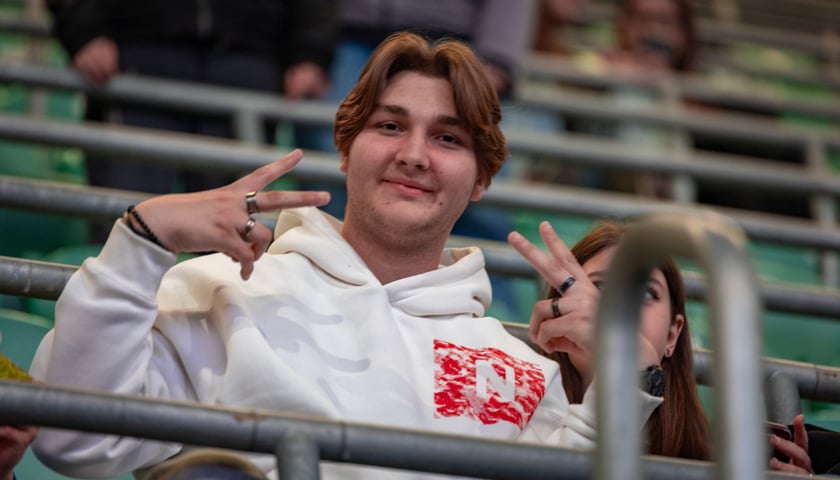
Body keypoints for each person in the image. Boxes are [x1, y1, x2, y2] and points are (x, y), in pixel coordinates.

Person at [28, 32, 663, 479]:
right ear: (344, 148)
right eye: (389, 126)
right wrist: (144, 236)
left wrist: (628, 378)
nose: (413, 155)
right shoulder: (218, 288)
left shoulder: (521, 369)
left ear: (481, 180)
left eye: (447, 138)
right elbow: (76, 441)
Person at [45, 0, 338, 220]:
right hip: (135, 59)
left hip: (249, 62)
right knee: (129, 225)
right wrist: (84, 31)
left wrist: (311, 52)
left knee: (232, 244)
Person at [508, 221, 712, 460]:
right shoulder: (509, 418)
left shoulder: (721, 465)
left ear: (672, 335)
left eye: (646, 292)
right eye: (600, 287)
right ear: (560, 313)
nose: (620, 309)